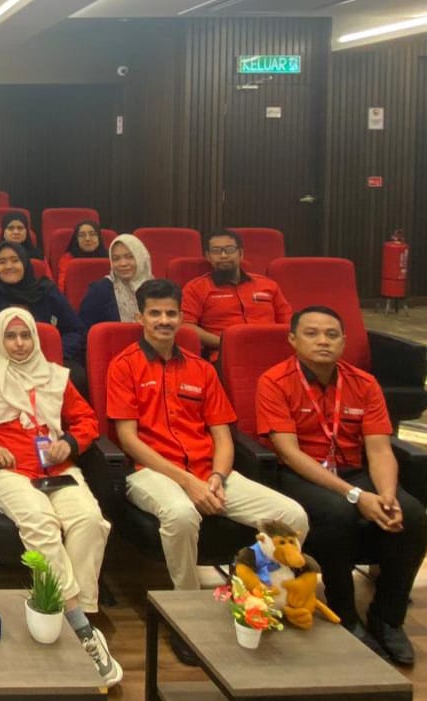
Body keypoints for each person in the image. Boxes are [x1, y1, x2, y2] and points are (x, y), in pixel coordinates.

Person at [106, 279, 308, 665]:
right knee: (181, 514)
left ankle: (257, 595)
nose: (164, 320)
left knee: (292, 517)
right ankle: (187, 614)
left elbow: (223, 436)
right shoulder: (124, 366)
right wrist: (189, 483)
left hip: (208, 469)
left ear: (182, 317)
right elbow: (129, 440)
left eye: (170, 313)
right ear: (139, 317)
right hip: (150, 471)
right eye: (155, 313)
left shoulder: (202, 369)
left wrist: (216, 477)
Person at [0, 308, 120, 686]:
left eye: (26, 336)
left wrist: (69, 442)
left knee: (90, 521)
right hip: (7, 469)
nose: (19, 344)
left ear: (36, 340)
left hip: (57, 468)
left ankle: (76, 612)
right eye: (11, 337)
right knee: (41, 522)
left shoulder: (55, 376)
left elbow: (87, 420)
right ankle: (82, 628)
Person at [257, 306, 426, 666]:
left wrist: (386, 495)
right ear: (293, 340)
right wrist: (354, 495)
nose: (323, 341)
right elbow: (288, 453)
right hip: (300, 474)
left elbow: (379, 449)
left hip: (353, 470)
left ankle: (388, 617)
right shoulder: (274, 381)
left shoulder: (364, 383)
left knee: (411, 514)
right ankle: (345, 615)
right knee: (337, 513)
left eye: (332, 335)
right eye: (312, 333)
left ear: (344, 342)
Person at [0, 241, 86, 368]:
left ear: (25, 263)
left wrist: (51, 352)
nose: (8, 266)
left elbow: (76, 331)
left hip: (45, 361)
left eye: (15, 260)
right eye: (2, 262)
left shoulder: (47, 291)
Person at [182, 229, 291, 360]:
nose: (223, 255)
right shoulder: (196, 288)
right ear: (208, 256)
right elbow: (186, 326)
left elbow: (288, 323)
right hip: (227, 354)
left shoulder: (268, 285)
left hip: (273, 351)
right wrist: (227, 343)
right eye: (216, 251)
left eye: (230, 250)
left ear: (241, 254)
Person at [78, 234, 153, 331]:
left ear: (140, 257)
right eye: (116, 259)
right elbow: (84, 332)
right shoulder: (99, 290)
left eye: (129, 257)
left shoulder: (157, 289)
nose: (123, 264)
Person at [56, 221, 106, 293]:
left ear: (99, 237)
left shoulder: (109, 257)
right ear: (76, 239)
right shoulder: (68, 259)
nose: (87, 239)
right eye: (82, 235)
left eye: (92, 234)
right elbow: (62, 288)